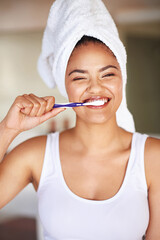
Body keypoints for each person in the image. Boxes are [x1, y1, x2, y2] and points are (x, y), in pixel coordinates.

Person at [0, 0, 160, 239]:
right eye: (79, 78)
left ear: (122, 78)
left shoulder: (153, 157)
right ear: (65, 86)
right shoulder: (35, 155)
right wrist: (8, 128)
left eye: (107, 74)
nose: (96, 88)